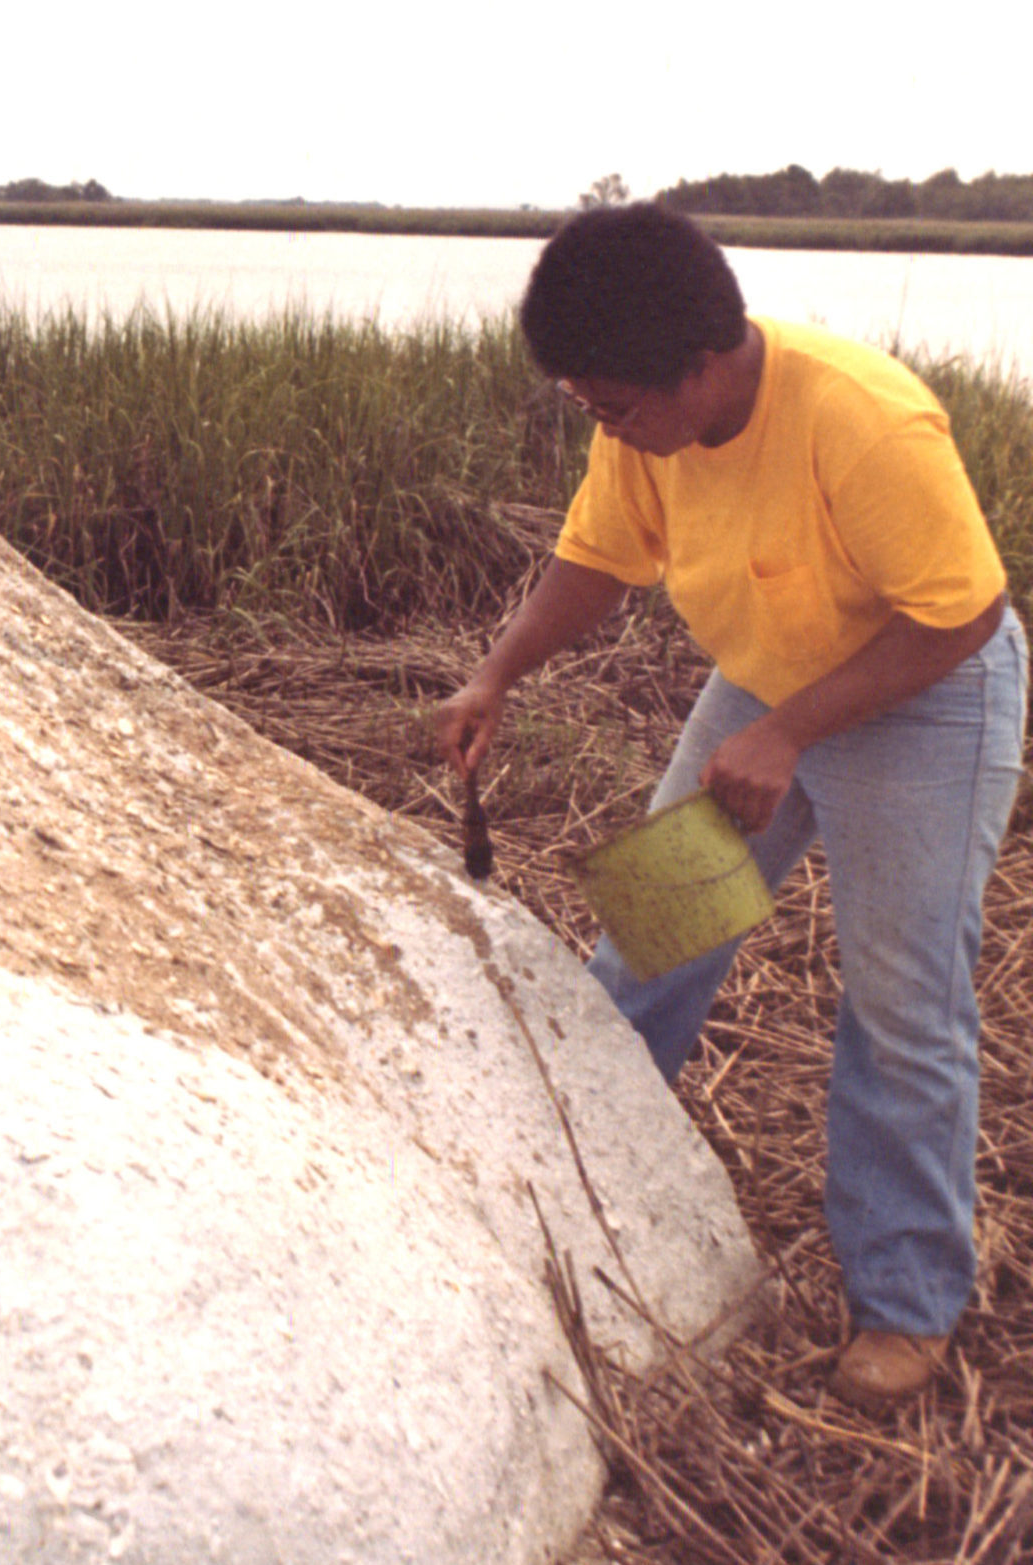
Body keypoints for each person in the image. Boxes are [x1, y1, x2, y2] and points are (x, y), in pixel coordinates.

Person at [434, 204, 1027, 1409]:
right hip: (763, 675)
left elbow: (958, 615)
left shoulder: (862, 423)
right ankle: (578, 1178)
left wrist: (792, 731)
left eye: (613, 406)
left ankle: (904, 1302)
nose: (607, 428)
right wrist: (496, 670)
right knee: (655, 928)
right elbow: (597, 560)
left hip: (920, 697)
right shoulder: (646, 425)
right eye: (589, 407)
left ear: (701, 364)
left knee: (901, 1000)